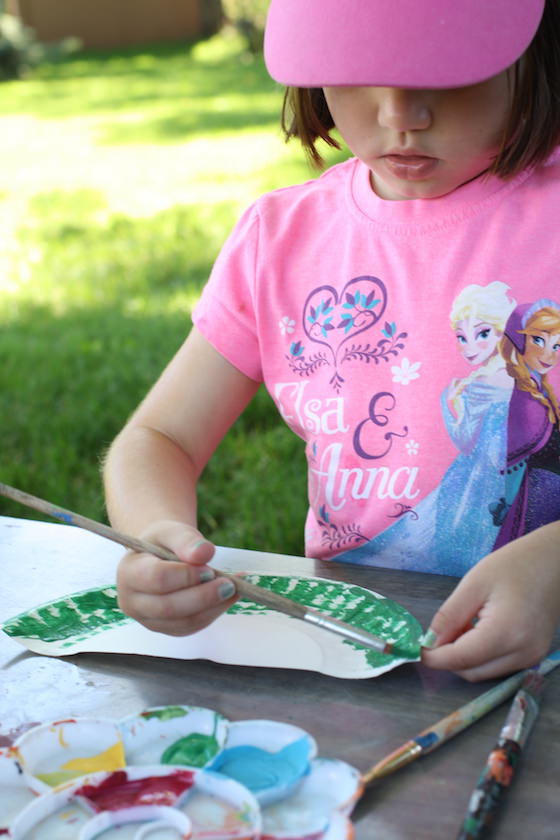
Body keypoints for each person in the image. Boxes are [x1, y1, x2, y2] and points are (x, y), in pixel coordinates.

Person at [104, 0, 560, 682]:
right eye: (358, 67)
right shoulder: (280, 239)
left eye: (448, 67)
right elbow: (159, 438)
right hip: (361, 658)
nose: (400, 113)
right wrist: (157, 536)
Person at [330, 282, 516, 575]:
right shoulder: (516, 376)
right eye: (461, 337)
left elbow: (466, 441)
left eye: (482, 334)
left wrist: (446, 403)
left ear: (501, 329)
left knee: (455, 537)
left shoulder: (481, 384)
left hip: (478, 474)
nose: (470, 347)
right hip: (514, 471)